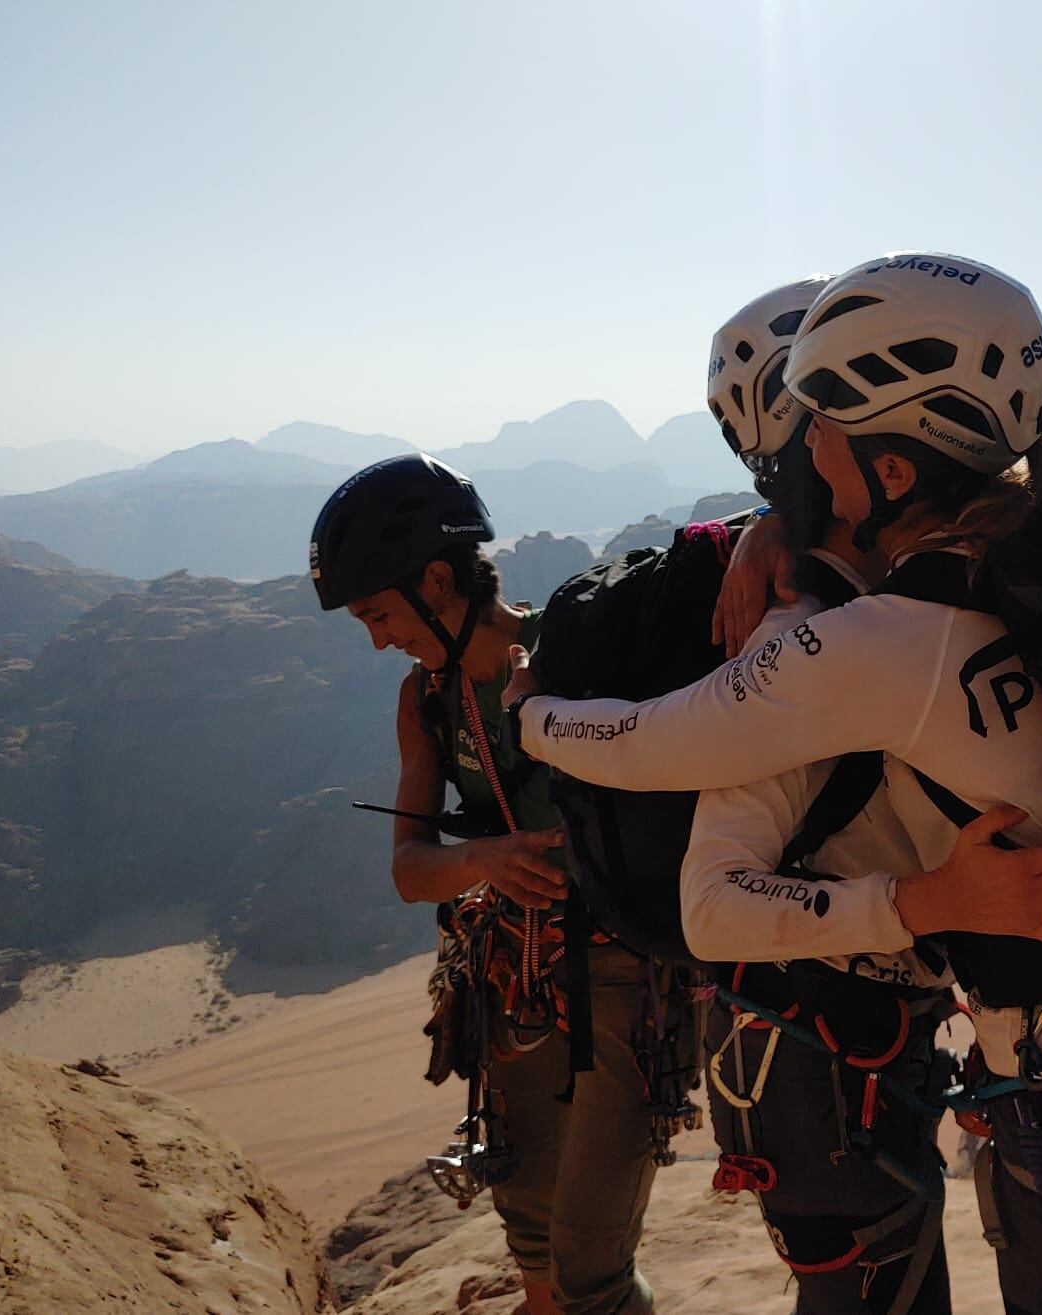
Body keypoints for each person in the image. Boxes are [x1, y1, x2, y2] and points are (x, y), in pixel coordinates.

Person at [501, 254, 1042, 1314]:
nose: (807, 443)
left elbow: (662, 764)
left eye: (822, 420)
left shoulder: (870, 637)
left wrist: (529, 715)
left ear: (886, 464)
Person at [309, 454, 662, 1315]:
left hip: (621, 982)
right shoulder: (424, 700)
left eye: (380, 613)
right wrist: (486, 860)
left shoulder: (573, 649)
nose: (378, 637)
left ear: (439, 578)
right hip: (514, 986)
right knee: (535, 1245)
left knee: (591, 1268)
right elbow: (409, 868)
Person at [689, 277, 958, 1312]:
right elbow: (712, 893)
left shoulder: (870, 579)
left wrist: (769, 527)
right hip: (816, 1033)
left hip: (846, 1026)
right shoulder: (791, 616)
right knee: (868, 1282)